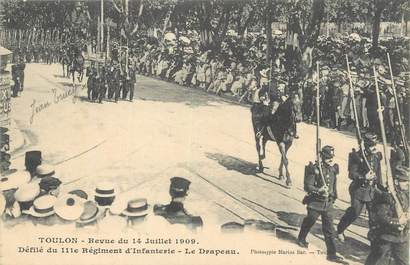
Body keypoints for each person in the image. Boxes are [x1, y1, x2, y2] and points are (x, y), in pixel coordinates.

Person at [297, 146, 345, 263]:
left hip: (327, 204)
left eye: (332, 157)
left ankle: (331, 254)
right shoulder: (314, 168)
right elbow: (307, 186)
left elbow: (334, 185)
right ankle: (301, 238)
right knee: (310, 221)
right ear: (322, 156)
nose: (330, 159)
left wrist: (333, 197)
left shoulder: (333, 169)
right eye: (328, 157)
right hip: (315, 203)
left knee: (329, 229)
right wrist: (319, 190)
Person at [337, 132, 382, 241]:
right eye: (372, 146)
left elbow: (378, 172)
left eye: (375, 145)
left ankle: (373, 239)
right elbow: (351, 174)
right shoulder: (356, 156)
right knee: (355, 212)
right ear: (366, 145)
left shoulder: (376, 156)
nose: (374, 148)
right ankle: (340, 229)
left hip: (371, 191)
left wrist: (380, 186)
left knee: (374, 217)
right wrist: (364, 177)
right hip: (359, 190)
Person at [365, 166, 409, 265]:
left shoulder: (405, 195)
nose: (408, 183)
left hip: (402, 238)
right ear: (396, 182)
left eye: (408, 181)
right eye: (404, 181)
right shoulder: (386, 196)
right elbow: (381, 218)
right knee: (376, 261)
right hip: (386, 237)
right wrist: (398, 222)